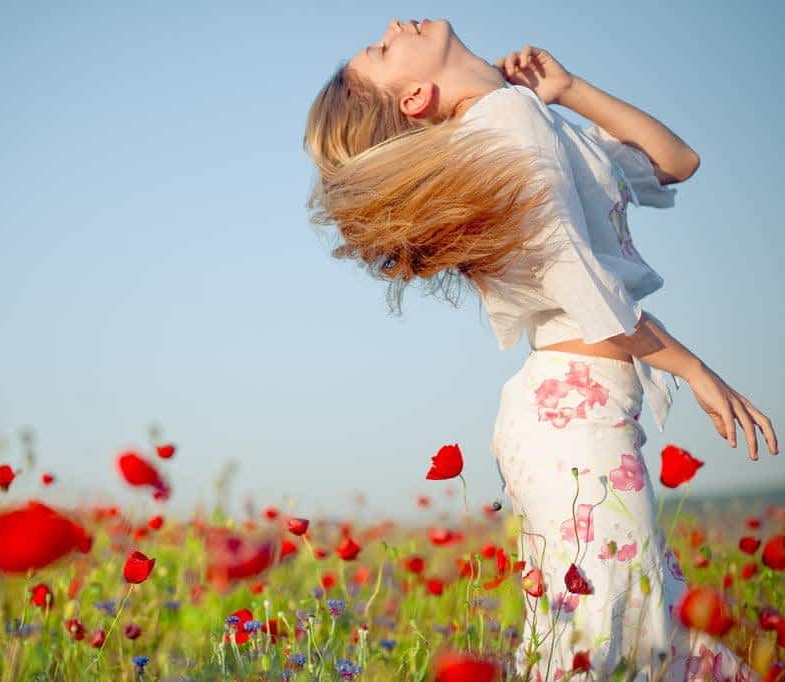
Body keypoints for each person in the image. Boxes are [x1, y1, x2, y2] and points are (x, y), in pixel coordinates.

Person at [302, 17, 779, 682]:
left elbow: (675, 164)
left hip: (578, 412)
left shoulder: (518, 117)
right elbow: (584, 287)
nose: (390, 26)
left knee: (643, 628)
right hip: (574, 420)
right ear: (412, 98)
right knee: (608, 630)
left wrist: (568, 89)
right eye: (383, 50)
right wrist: (693, 369)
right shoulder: (501, 128)